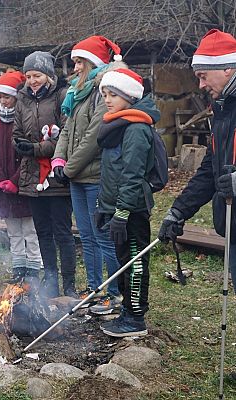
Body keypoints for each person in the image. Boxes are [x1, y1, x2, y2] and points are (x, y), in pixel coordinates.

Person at [158, 29, 236, 287]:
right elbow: (209, 172)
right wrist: (179, 210)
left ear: (227, 68)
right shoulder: (223, 109)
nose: (201, 85)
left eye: (203, 76)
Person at [53, 36, 123, 312]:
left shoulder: (102, 92)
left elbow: (94, 136)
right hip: (76, 178)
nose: (76, 67)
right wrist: (59, 159)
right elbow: (68, 129)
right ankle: (95, 288)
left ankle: (114, 292)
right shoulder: (77, 93)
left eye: (80, 61)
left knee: (102, 235)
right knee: (87, 235)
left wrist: (67, 170)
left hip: (95, 177)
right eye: (74, 62)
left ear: (93, 62)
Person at [96, 68, 160, 337]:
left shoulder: (135, 128)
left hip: (132, 210)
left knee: (133, 262)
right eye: (105, 94)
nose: (107, 100)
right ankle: (127, 311)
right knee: (124, 259)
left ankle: (135, 319)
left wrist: (121, 213)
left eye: (113, 94)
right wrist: (104, 207)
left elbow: (132, 175)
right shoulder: (119, 125)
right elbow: (111, 173)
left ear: (129, 96)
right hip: (117, 207)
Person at [12, 51, 76, 298]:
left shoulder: (62, 96)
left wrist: (37, 148)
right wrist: (21, 146)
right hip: (31, 175)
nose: (32, 80)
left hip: (56, 176)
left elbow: (64, 137)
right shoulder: (22, 99)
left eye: (36, 75)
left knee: (62, 232)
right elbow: (16, 132)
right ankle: (50, 283)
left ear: (48, 75)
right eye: (28, 76)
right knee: (42, 233)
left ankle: (68, 285)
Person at [0, 70, 43, 282]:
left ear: (16, 97)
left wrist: (15, 180)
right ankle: (18, 267)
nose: (3, 100)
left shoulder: (26, 118)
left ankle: (34, 268)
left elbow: (30, 155)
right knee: (13, 231)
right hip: (4, 186)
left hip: (24, 184)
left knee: (30, 230)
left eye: (7, 96)